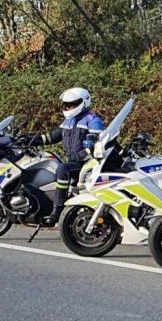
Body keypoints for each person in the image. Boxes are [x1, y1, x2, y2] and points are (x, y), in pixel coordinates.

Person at [28, 88, 105, 226]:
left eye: (73, 104)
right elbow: (52, 137)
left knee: (62, 169)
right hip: (73, 161)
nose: (69, 107)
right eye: (66, 105)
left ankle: (57, 210)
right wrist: (30, 139)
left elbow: (99, 143)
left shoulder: (93, 120)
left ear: (84, 102)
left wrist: (83, 155)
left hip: (87, 163)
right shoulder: (68, 121)